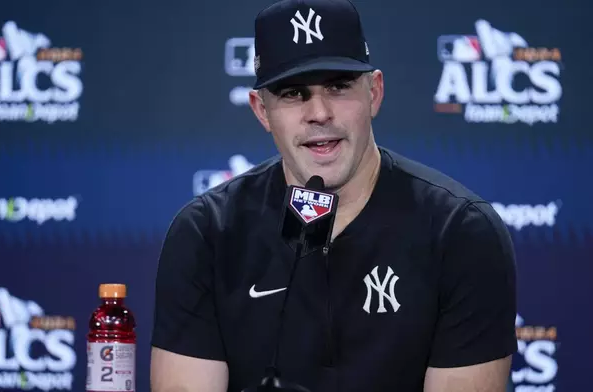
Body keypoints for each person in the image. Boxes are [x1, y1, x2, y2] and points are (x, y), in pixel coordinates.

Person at [150, 0, 517, 391]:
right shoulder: (207, 234)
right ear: (261, 111)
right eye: (293, 94)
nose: (319, 113)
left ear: (374, 93)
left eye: (338, 86)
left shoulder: (461, 233)